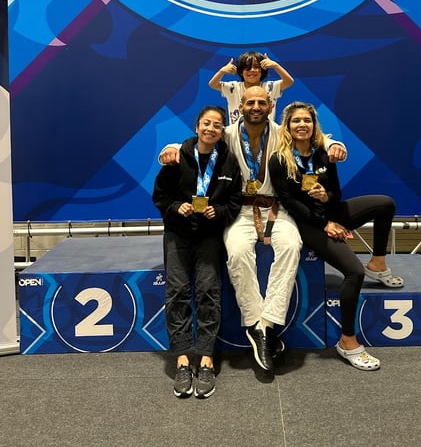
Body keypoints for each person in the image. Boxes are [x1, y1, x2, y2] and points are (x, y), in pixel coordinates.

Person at [159, 86, 347, 380]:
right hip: (240, 210)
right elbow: (199, 139)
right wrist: (169, 147)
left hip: (277, 207)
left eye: (261, 102)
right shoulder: (227, 133)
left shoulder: (282, 132)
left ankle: (265, 325)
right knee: (236, 252)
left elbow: (315, 136)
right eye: (250, 102)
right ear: (241, 106)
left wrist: (336, 144)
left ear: (271, 105)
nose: (256, 106)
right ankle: (256, 321)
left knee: (291, 246)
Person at [269, 101, 403, 372]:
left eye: (307, 120)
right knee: (354, 272)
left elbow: (337, 193)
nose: (302, 125)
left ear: (314, 125)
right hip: (308, 223)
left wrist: (325, 196)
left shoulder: (322, 154)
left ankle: (378, 263)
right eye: (296, 120)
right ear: (287, 126)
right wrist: (325, 224)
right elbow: (289, 203)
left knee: (385, 203)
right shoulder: (279, 159)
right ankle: (348, 341)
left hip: (329, 212)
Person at [152, 105, 242, 398]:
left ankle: (205, 359)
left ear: (222, 131)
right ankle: (181, 359)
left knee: (208, 292)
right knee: (177, 292)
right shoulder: (178, 155)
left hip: (209, 237)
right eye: (206, 123)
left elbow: (235, 200)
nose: (211, 129)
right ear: (197, 126)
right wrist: (176, 207)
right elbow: (160, 196)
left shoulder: (228, 160)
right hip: (177, 234)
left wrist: (221, 211)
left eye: (217, 125)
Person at [208, 50, 294, 123]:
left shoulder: (270, 87)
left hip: (266, 134)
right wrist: (222, 71)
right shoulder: (233, 87)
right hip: (237, 135)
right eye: (247, 67)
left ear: (262, 71)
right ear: (241, 72)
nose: (252, 70)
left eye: (256, 67)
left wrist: (276, 66)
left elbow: (289, 81)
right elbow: (213, 84)